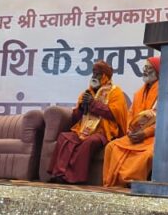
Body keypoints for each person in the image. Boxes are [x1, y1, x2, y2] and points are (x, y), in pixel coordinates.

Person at [49, 60, 129, 184]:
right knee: (64, 137)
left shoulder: (115, 92)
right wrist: (82, 108)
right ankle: (59, 174)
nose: (94, 76)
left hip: (104, 132)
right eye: (93, 73)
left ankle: (73, 178)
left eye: (98, 74)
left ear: (105, 76)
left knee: (89, 142)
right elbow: (76, 119)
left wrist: (93, 104)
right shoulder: (86, 93)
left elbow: (114, 114)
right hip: (82, 130)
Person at [102, 56, 160, 188]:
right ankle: (111, 183)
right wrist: (130, 129)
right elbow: (131, 114)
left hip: (153, 137)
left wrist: (145, 133)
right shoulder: (138, 93)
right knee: (111, 146)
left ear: (158, 71)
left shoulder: (164, 92)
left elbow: (164, 120)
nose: (145, 71)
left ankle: (132, 183)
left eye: (149, 68)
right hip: (135, 134)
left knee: (146, 155)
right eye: (145, 67)